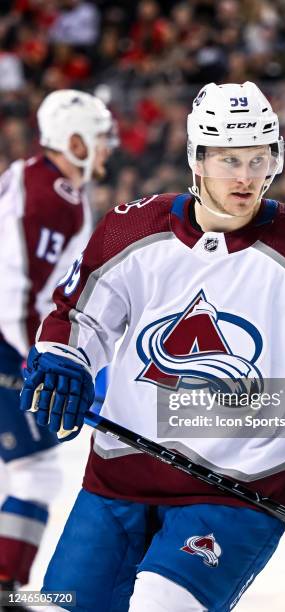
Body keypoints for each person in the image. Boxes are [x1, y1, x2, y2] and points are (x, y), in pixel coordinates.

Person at [20, 82, 285, 612]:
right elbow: (79, 317)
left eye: (259, 159)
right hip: (117, 481)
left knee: (161, 604)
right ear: (197, 159)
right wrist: (65, 360)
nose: (246, 177)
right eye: (229, 160)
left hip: (236, 493)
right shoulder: (131, 228)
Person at [0, 89, 114, 603]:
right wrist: (42, 362)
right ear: (74, 140)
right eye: (101, 138)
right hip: (6, 342)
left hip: (9, 339)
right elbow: (19, 291)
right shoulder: (55, 196)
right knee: (35, 469)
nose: (109, 148)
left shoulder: (36, 180)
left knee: (31, 469)